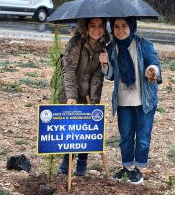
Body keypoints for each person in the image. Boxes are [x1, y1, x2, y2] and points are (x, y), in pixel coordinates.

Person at [99, 17, 162, 184]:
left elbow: (155, 64)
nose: (120, 30)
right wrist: (105, 65)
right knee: (126, 136)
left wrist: (152, 70)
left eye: (124, 26)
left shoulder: (143, 44)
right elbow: (111, 75)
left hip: (144, 100)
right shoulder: (111, 48)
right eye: (116, 26)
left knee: (142, 136)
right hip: (123, 100)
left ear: (132, 26)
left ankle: (139, 169)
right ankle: (127, 167)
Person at [58, 17, 109, 176]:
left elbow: (97, 77)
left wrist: (93, 101)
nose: (97, 29)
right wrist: (71, 95)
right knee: (71, 129)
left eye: (100, 26)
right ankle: (66, 164)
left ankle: (82, 164)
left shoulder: (103, 47)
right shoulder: (76, 42)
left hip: (88, 94)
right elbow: (68, 70)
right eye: (92, 25)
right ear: (86, 26)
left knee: (86, 129)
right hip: (70, 92)